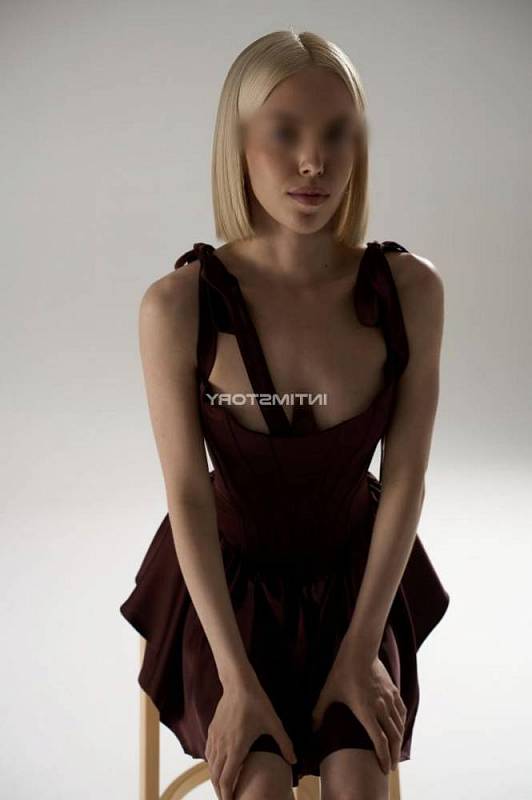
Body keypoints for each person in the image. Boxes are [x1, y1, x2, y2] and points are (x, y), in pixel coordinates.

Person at [120, 29, 450, 800]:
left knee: (357, 780)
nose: (314, 161)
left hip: (358, 588)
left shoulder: (409, 292)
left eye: (338, 134)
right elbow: (188, 495)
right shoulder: (179, 307)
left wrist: (360, 651)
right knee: (260, 784)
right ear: (237, 144)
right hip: (224, 592)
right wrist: (236, 681)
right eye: (284, 133)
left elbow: (405, 482)